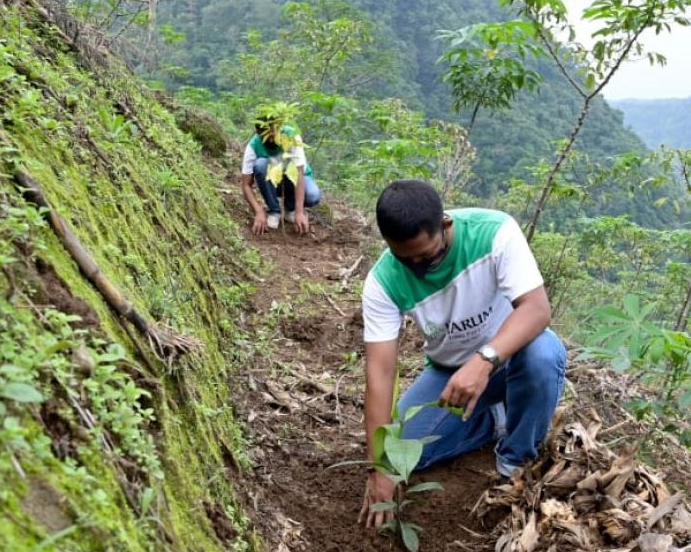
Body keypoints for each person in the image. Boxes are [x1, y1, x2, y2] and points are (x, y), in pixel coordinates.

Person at [358, 180, 566, 528]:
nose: (419, 269)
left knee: (544, 354)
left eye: (427, 256)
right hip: (449, 373)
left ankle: (514, 464)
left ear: (446, 225)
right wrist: (379, 467)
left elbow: (537, 310)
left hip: (512, 356)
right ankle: (496, 420)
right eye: (405, 259)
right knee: (401, 457)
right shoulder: (383, 282)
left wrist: (484, 360)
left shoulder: (494, 233)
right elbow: (379, 375)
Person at [240, 108, 322, 235]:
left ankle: (291, 208)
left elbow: (299, 174)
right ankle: (274, 211)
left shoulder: (291, 137)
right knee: (260, 165)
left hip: (295, 179)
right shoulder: (253, 145)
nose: (271, 140)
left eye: (274, 135)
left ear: (279, 129)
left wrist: (299, 212)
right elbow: (246, 185)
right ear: (258, 133)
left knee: (312, 195)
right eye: (267, 137)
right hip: (273, 183)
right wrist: (259, 211)